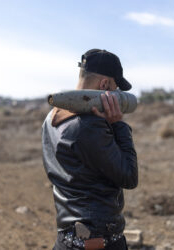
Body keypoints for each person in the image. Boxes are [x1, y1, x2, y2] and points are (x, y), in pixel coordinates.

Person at [42, 49, 138, 250]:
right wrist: (118, 125)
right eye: (115, 88)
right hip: (100, 242)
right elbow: (129, 176)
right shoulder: (90, 126)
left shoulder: (51, 117)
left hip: (67, 240)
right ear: (104, 85)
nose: (118, 95)